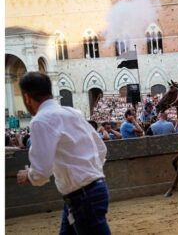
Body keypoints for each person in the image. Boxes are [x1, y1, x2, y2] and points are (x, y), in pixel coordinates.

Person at [16, 72, 111, 234]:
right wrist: (89, 173)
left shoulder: (40, 121)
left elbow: (41, 172)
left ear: (27, 98)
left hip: (81, 196)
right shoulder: (72, 112)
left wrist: (28, 175)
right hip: (91, 191)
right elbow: (101, 148)